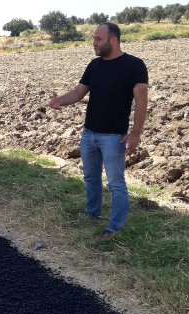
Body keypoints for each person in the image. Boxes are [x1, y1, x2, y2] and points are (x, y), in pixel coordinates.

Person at [49, 22, 148, 238]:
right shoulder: (94, 65)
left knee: (116, 184)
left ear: (113, 39)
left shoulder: (134, 65)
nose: (94, 43)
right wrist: (60, 102)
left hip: (114, 137)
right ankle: (92, 213)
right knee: (91, 178)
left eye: (98, 39)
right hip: (89, 134)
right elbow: (78, 93)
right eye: (94, 38)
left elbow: (142, 100)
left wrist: (136, 133)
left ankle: (116, 227)